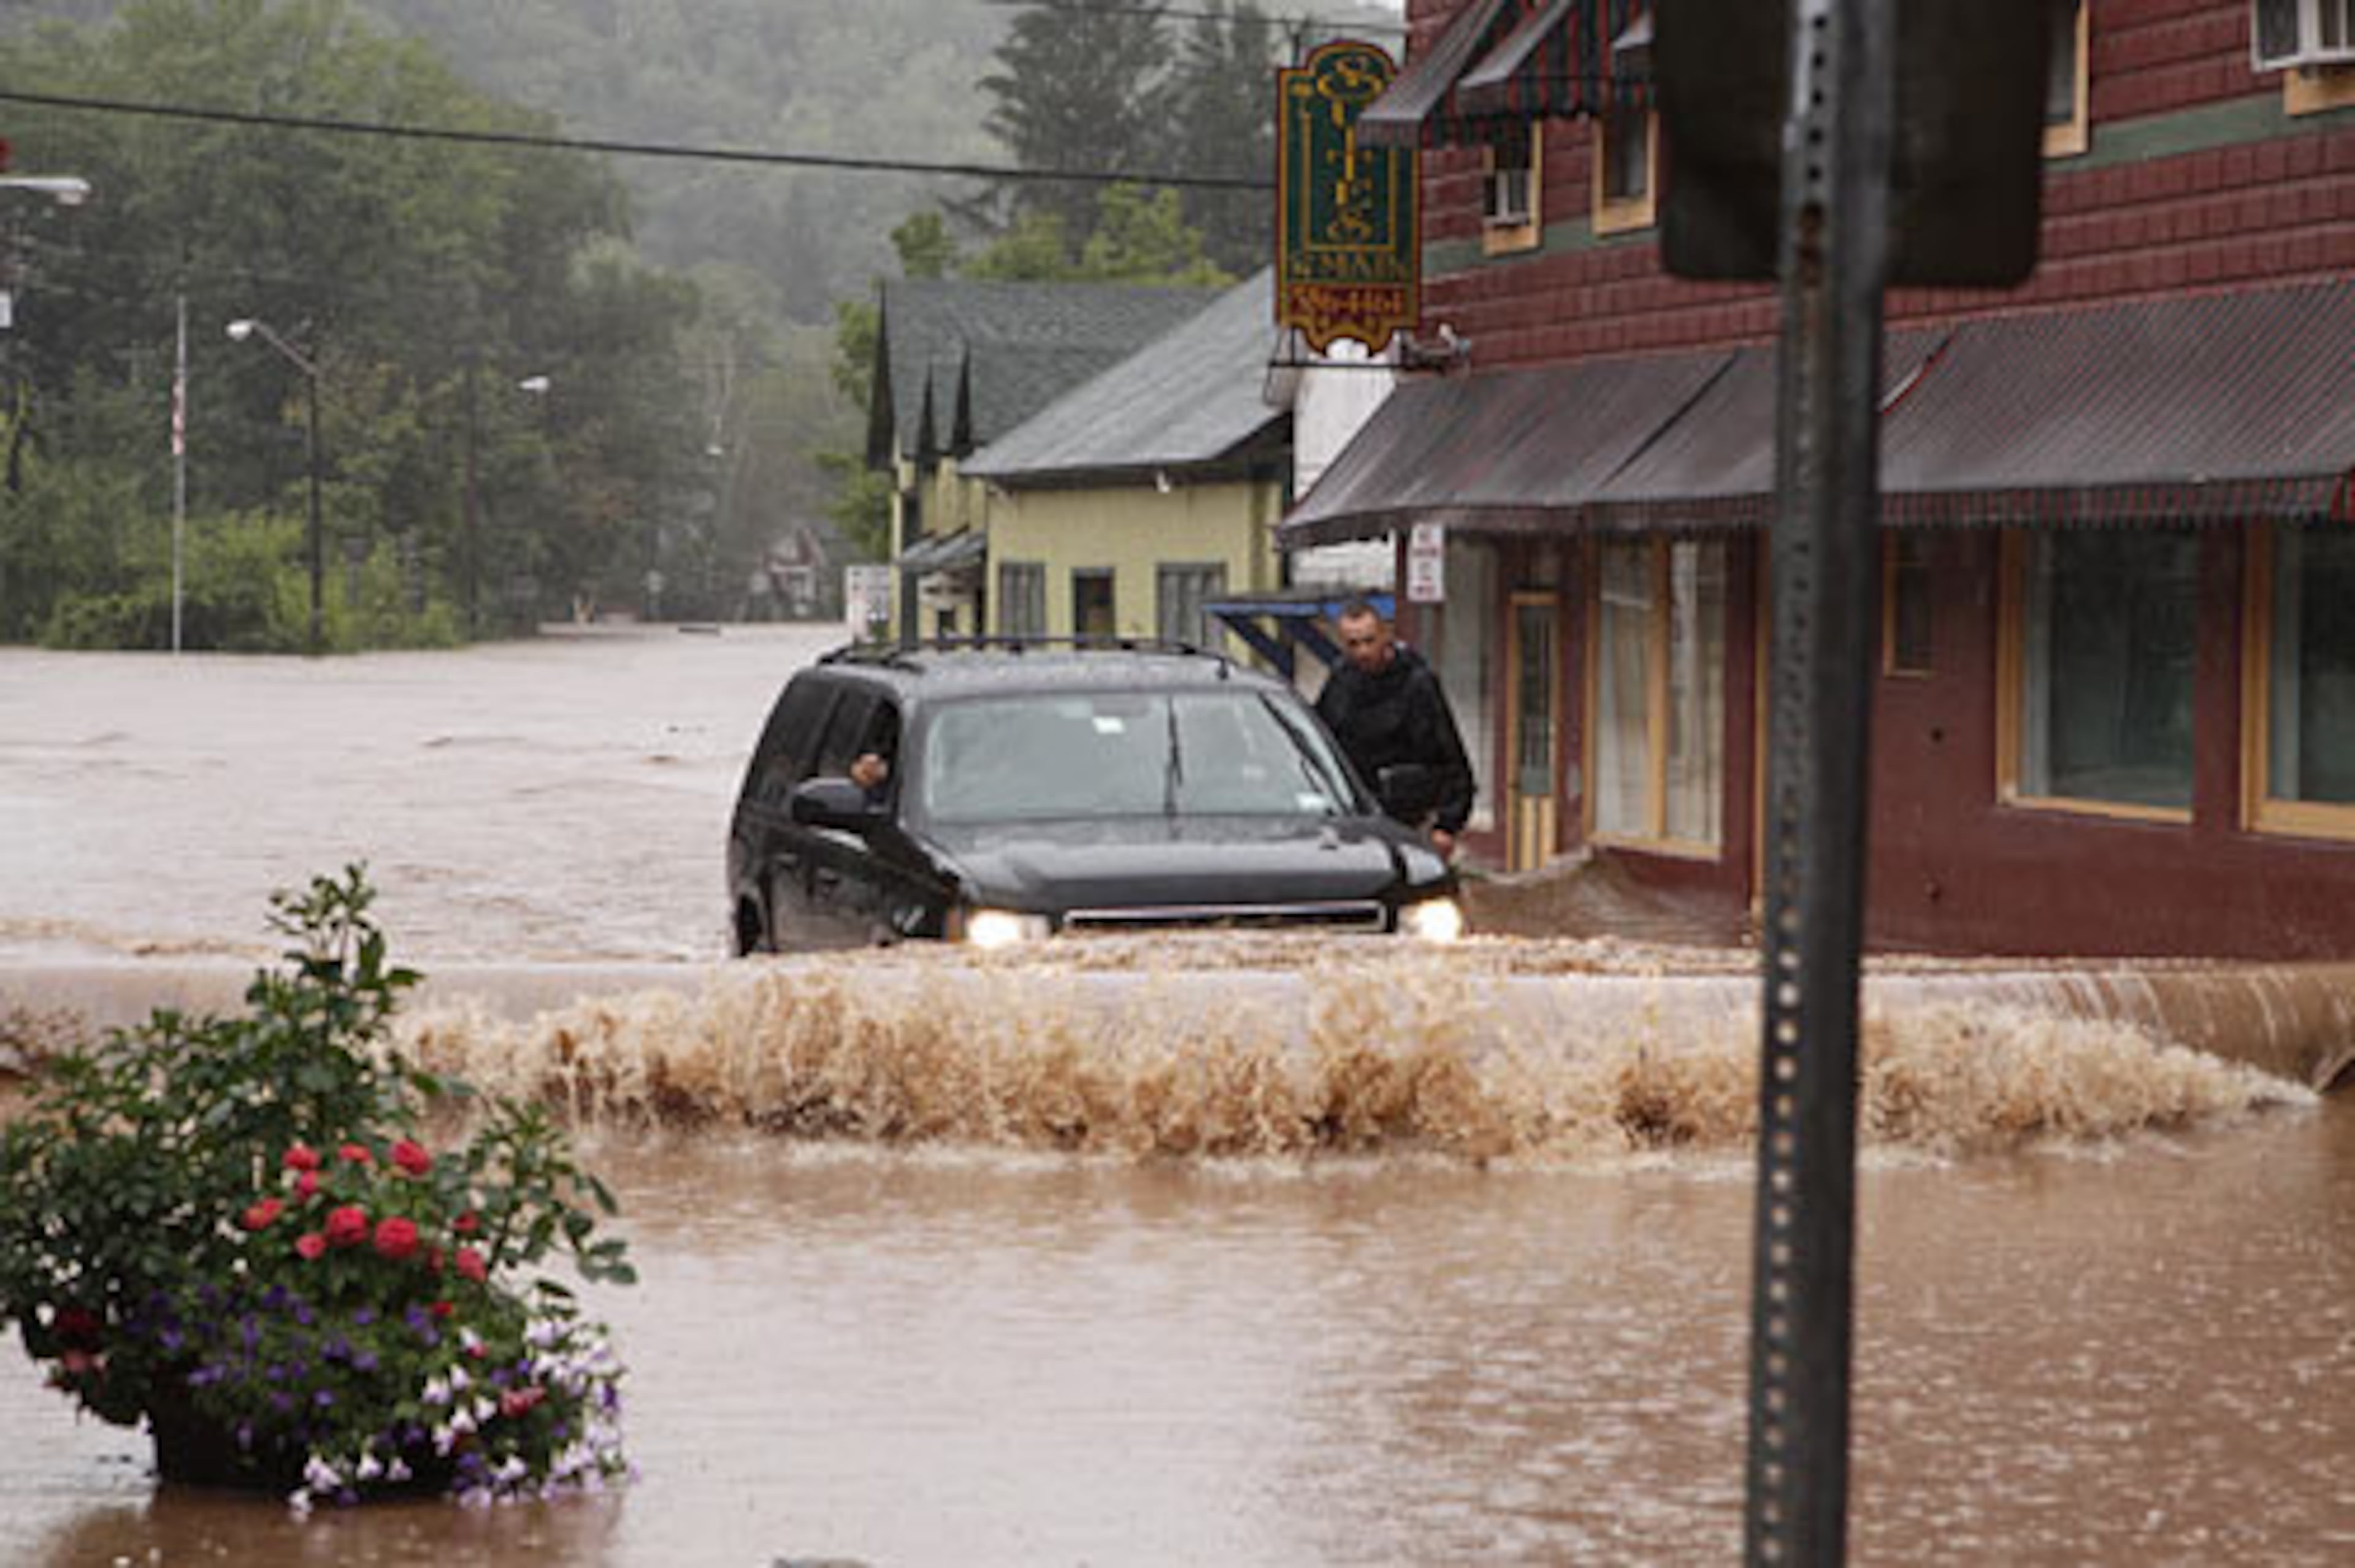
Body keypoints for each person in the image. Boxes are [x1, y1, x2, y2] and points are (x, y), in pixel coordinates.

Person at [1315, 599, 1475, 857]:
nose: (1363, 652)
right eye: (1353, 644)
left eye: (1369, 641)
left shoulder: (1417, 683)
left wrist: (1447, 824)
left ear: (1386, 635)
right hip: (1354, 816)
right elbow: (1320, 745)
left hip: (1408, 816)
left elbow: (1450, 758)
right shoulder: (1340, 683)